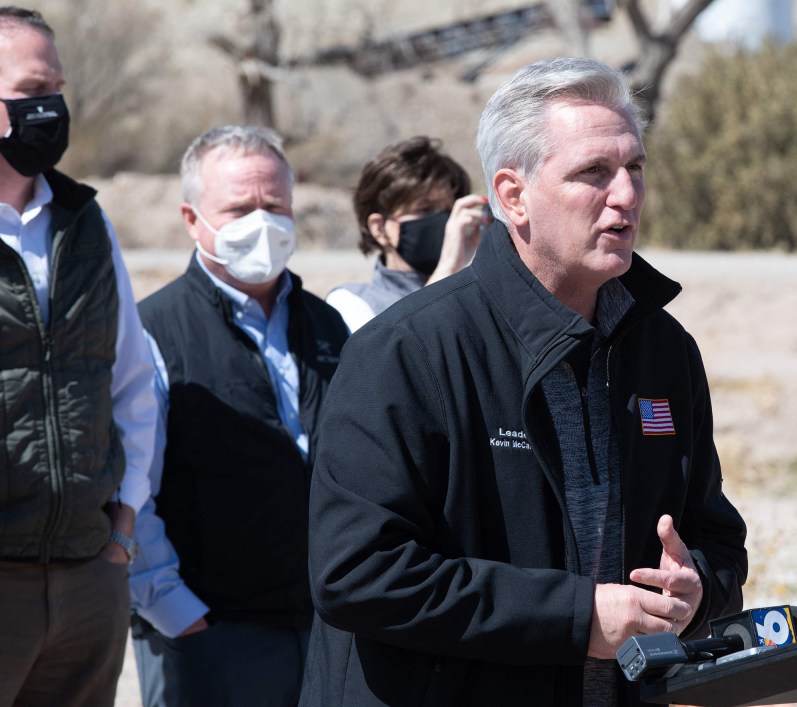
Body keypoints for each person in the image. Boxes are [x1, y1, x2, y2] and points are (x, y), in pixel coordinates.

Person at [299, 57, 748, 706]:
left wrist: (698, 588)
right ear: (512, 196)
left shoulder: (664, 351)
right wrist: (576, 618)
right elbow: (358, 573)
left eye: (635, 169)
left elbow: (716, 534)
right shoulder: (404, 353)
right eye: (594, 172)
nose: (625, 195)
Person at [129, 125, 350, 706]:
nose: (263, 222)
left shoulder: (328, 327)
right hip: (210, 634)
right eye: (239, 208)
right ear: (192, 219)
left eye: (275, 205)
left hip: (322, 628)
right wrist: (175, 611)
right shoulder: (151, 331)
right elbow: (129, 489)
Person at [0, 7, 157, 706]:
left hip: (87, 578)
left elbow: (132, 380)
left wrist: (122, 529)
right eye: (34, 88)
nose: (52, 109)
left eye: (57, 88)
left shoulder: (86, 222)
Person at [325, 136, 490, 332]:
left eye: (449, 210)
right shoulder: (352, 303)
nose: (445, 222)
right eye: (425, 209)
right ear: (379, 228)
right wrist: (447, 267)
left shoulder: (475, 296)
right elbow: (401, 352)